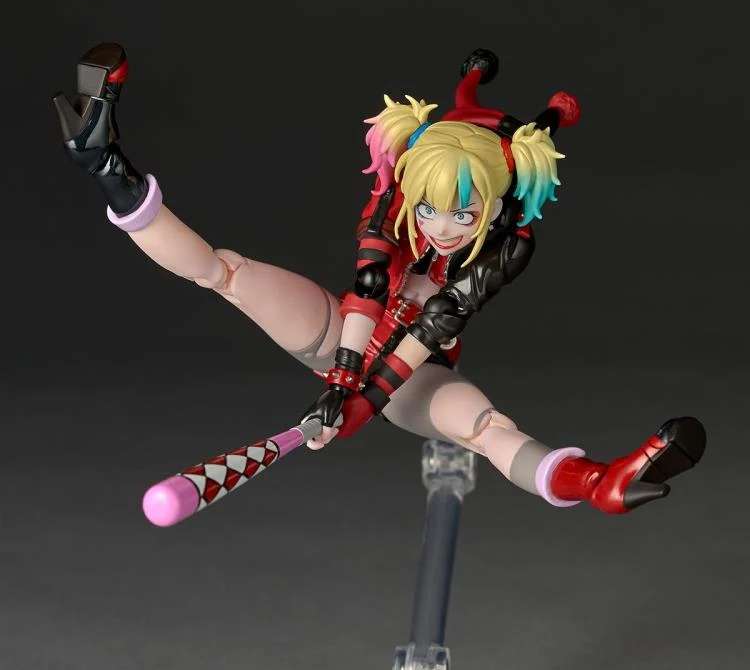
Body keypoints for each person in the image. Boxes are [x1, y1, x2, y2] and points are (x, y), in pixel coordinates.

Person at [53, 44, 705, 515]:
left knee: (485, 429)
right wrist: (340, 381)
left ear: (494, 208)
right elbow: (367, 291)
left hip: (417, 374)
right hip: (345, 331)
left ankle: (597, 483)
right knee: (226, 273)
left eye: (463, 213)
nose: (442, 228)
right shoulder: (394, 201)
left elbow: (430, 329)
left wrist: (357, 407)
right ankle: (108, 169)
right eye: (429, 209)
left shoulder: (508, 246)